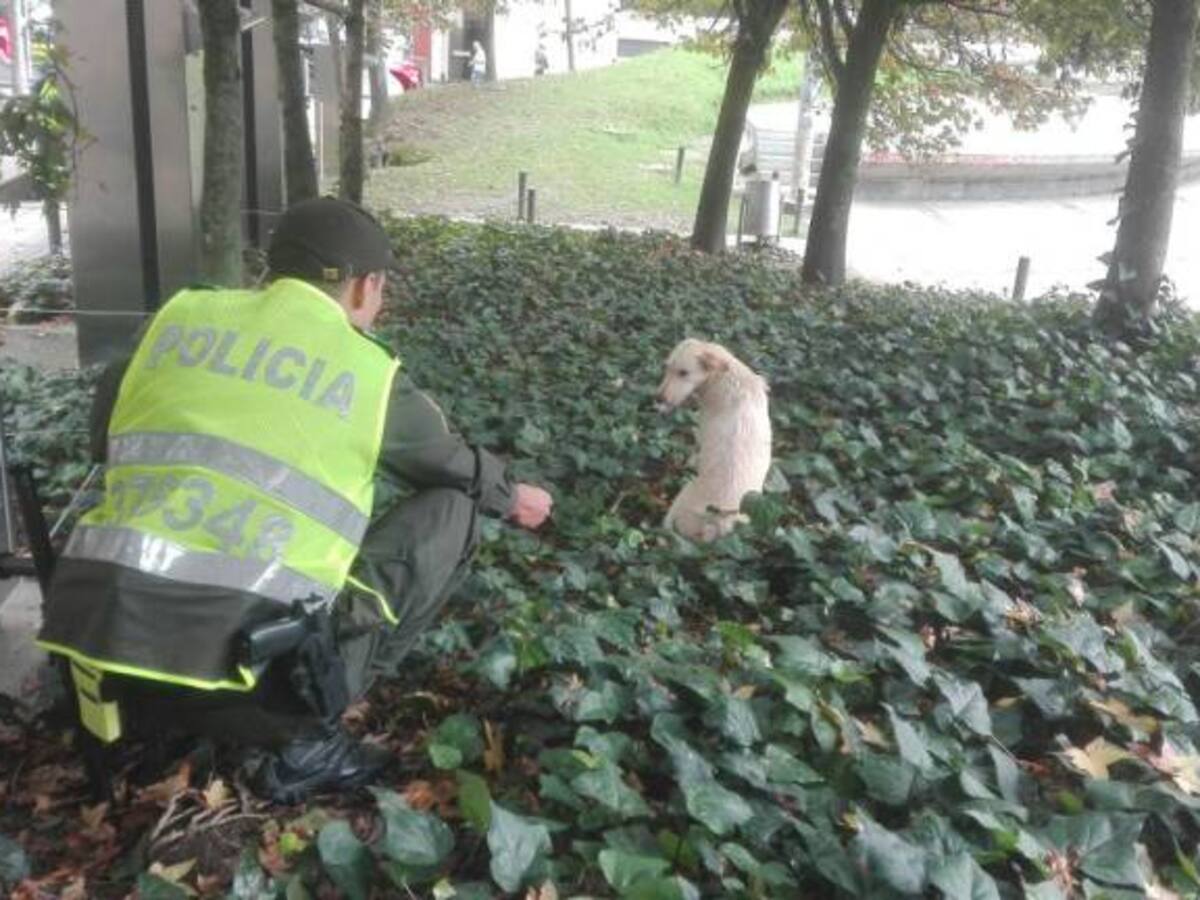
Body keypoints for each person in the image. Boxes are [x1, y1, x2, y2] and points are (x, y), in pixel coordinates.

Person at [37, 197, 553, 801]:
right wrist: (515, 495)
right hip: (246, 681)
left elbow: (106, 439)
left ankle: (162, 722)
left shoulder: (179, 319)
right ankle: (307, 741)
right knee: (454, 509)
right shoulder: (364, 371)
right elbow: (453, 468)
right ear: (366, 286)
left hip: (99, 658)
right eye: (382, 291)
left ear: (272, 268)